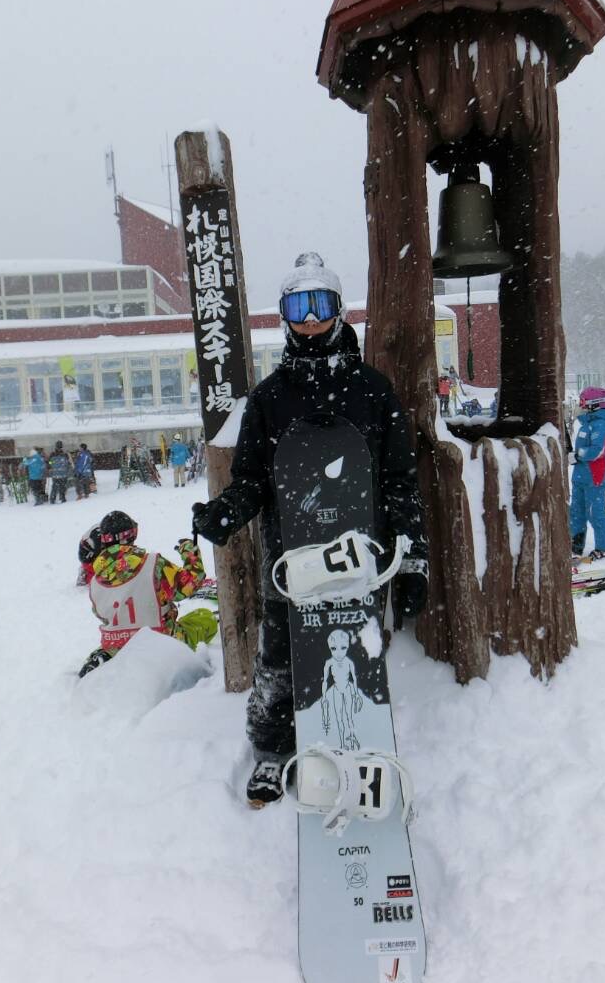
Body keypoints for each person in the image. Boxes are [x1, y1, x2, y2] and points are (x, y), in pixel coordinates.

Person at [190, 252, 428, 808]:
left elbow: (399, 480)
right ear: (284, 316)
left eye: (321, 305)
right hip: (292, 554)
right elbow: (251, 476)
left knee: (358, 647)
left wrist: (411, 558)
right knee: (280, 653)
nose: (312, 319)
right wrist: (227, 510)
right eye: (300, 306)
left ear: (340, 311)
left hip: (359, 554)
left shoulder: (372, 391)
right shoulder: (270, 400)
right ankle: (274, 751)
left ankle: (360, 741)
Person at [79, 509, 208, 676]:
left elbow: (101, 613)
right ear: (131, 536)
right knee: (204, 618)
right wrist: (191, 555)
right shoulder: (153, 564)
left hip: (120, 642)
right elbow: (189, 585)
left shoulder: (96, 581)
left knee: (117, 645)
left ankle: (107, 656)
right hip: (160, 639)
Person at [570, 386, 605, 560]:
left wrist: (577, 455)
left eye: (583, 402)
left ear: (594, 404)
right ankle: (575, 544)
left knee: (594, 513)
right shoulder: (586, 425)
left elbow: (598, 450)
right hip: (580, 477)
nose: (581, 406)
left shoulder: (602, 426)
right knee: (577, 512)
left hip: (595, 477)